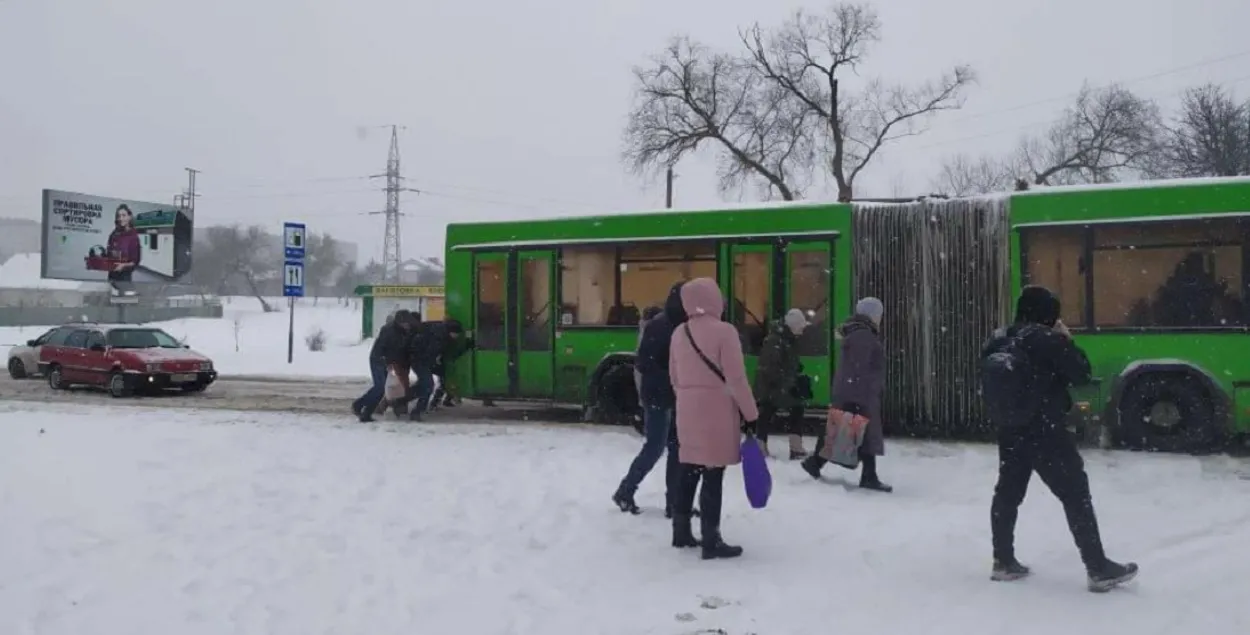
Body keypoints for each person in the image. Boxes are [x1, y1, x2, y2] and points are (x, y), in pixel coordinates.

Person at [980, 285, 1138, 592]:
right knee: (1075, 492)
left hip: (1010, 428)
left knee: (1008, 493)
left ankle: (1003, 561)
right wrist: (1066, 340)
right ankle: (1097, 567)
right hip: (1044, 428)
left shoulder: (999, 338)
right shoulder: (1045, 339)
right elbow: (1081, 373)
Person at [668, 277, 759, 559]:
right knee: (712, 473)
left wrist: (688, 396)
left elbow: (674, 376)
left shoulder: (679, 333)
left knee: (688, 470)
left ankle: (681, 532)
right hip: (717, 412)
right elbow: (736, 378)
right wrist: (751, 413)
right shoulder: (725, 332)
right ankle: (711, 539)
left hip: (687, 409)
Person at [801, 297, 891, 492]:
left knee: (845, 432)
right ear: (872, 315)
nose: (880, 319)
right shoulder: (864, 336)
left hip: (855, 392)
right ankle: (866, 476)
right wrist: (857, 399)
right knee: (856, 434)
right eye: (879, 315)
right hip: (860, 393)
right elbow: (858, 369)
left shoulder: (859, 333)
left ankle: (817, 463)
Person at [612, 288, 685, 516]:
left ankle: (674, 501)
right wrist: (671, 376)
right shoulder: (662, 326)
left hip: (669, 395)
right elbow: (645, 363)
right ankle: (625, 491)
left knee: (676, 448)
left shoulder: (673, 324)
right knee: (655, 447)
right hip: (658, 396)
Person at [754, 308, 811, 460]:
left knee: (768, 412)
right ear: (793, 326)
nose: (802, 330)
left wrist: (795, 375)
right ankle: (794, 446)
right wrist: (791, 383)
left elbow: (784, 364)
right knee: (786, 408)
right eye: (800, 327)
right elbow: (772, 368)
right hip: (771, 386)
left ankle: (762, 444)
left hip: (777, 385)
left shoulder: (784, 339)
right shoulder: (777, 341)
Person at [352, 310, 414, 422]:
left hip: (388, 362)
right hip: (378, 360)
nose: (407, 325)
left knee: (382, 389)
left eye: (408, 323)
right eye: (406, 323)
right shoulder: (388, 331)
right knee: (380, 387)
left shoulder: (403, 332)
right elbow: (382, 348)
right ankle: (358, 405)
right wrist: (386, 361)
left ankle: (366, 413)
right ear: (399, 322)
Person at [399, 318, 467, 421]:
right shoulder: (438, 335)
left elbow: (447, 353)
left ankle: (401, 400)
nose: (457, 336)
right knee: (428, 386)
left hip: (426, 362)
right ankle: (416, 412)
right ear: (451, 331)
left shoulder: (444, 336)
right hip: (419, 361)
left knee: (425, 385)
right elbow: (425, 349)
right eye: (456, 334)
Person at [107, 204, 141, 295]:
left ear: (129, 217)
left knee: (124, 304)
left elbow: (135, 261)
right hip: (111, 279)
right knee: (111, 306)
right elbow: (108, 252)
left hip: (125, 280)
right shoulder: (114, 234)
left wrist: (123, 266)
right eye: (119, 216)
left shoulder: (133, 237)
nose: (121, 218)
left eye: (123, 215)